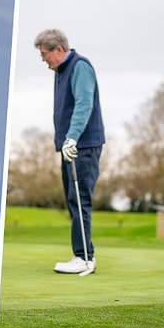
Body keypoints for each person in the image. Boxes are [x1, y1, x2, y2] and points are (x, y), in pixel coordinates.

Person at [34, 29, 105, 275]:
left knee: (79, 199)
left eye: (45, 55)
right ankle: (81, 254)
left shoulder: (79, 67)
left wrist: (72, 137)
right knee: (72, 200)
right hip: (71, 145)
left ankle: (85, 258)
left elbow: (84, 104)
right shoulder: (61, 70)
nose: (44, 60)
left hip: (82, 145)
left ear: (59, 50)